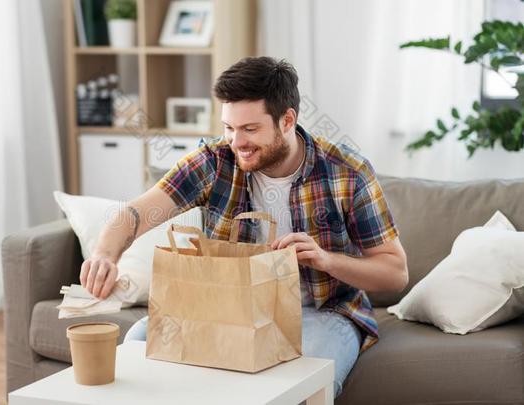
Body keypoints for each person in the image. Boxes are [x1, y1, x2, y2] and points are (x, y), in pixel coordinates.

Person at [79, 56, 408, 398]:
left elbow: (395, 272)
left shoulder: (346, 172)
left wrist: (325, 259)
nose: (237, 141)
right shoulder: (215, 162)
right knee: (138, 345)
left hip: (322, 313)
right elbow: (135, 213)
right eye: (229, 128)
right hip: (226, 309)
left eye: (250, 129)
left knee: (291, 385)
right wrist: (104, 254)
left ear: (287, 120)